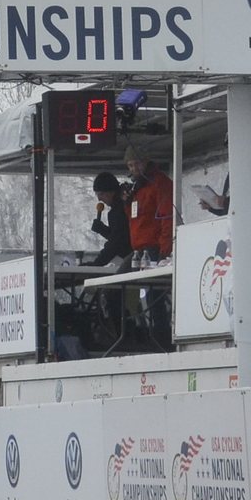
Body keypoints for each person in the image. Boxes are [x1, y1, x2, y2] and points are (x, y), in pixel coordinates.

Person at [124, 145, 174, 349]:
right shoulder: (138, 188)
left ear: (146, 162)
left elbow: (166, 217)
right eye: (130, 165)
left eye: (136, 163)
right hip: (139, 250)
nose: (133, 168)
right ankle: (134, 338)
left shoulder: (158, 183)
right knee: (124, 291)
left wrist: (165, 250)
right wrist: (127, 203)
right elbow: (135, 220)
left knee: (155, 298)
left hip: (154, 248)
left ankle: (161, 341)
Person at [87, 171, 131, 270]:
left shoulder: (118, 211)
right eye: (97, 194)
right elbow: (120, 236)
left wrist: (97, 264)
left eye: (101, 194)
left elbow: (116, 242)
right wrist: (104, 230)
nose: (99, 199)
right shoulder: (123, 206)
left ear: (111, 192)